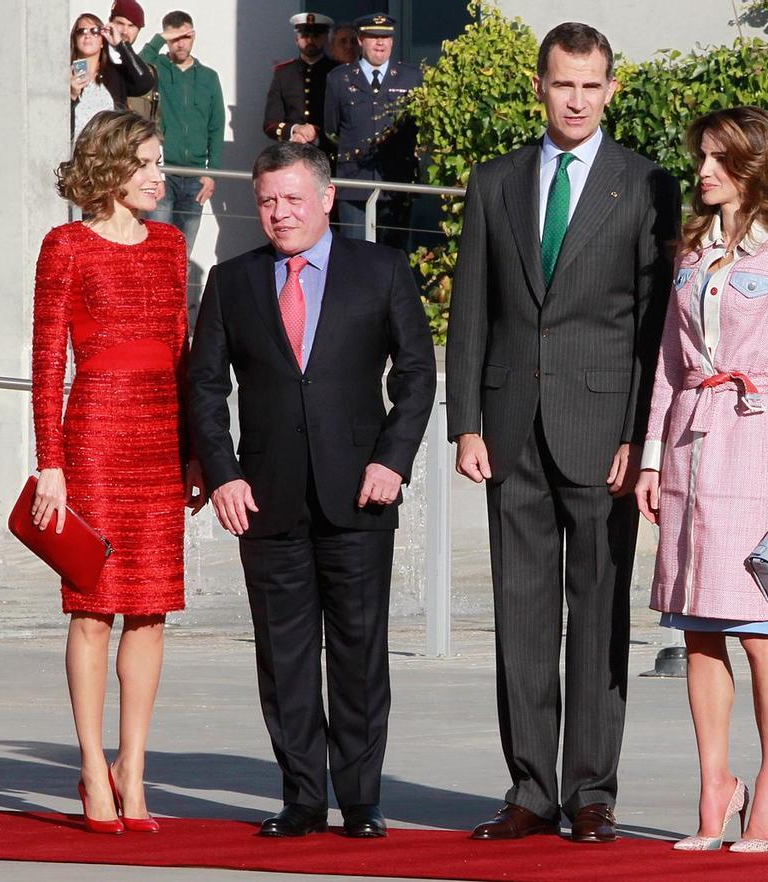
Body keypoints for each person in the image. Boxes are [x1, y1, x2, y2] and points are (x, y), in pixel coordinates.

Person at [445, 22, 680, 843]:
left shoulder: (646, 184)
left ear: (612, 89)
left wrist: (639, 435)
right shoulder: (495, 182)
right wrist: (465, 422)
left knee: (600, 612)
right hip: (509, 430)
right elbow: (470, 309)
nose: (576, 99)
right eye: (562, 83)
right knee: (521, 612)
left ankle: (590, 792)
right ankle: (530, 788)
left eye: (591, 84)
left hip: (603, 432)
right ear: (539, 86)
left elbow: (655, 327)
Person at [188, 142, 435, 839]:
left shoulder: (381, 269)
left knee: (359, 652)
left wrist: (393, 459)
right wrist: (223, 471)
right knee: (284, 655)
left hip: (360, 493)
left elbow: (417, 374)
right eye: (268, 200)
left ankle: (360, 801)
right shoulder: (232, 282)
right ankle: (302, 797)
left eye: (293, 198)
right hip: (263, 496)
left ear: (327, 198)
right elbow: (205, 386)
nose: (279, 213)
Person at [634, 106, 768, 854]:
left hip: (756, 453)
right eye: (702, 158)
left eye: (720, 159)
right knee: (698, 630)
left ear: (756, 165)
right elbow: (667, 366)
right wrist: (652, 456)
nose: (705, 171)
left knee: (758, 630)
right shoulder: (690, 253)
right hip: (690, 450)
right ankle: (716, 787)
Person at [32, 110, 204, 835]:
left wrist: (196, 449)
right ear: (112, 167)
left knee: (152, 608)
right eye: (151, 163)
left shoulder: (169, 246)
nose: (161, 177)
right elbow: (46, 365)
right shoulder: (65, 245)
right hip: (96, 437)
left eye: (161, 163)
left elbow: (184, 352)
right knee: (93, 608)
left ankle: (133, 769)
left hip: (162, 439)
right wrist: (51, 465)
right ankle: (90, 763)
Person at [141, 9, 225, 327]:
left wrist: (212, 171)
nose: (181, 42)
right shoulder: (160, 68)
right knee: (158, 247)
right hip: (163, 174)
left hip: (195, 179)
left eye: (186, 35)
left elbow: (217, 126)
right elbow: (141, 62)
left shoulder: (208, 78)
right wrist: (160, 40)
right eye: (175, 37)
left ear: (194, 35)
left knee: (181, 252)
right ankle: (153, 316)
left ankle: (175, 320)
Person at [322, 13, 421, 246]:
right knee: (354, 252)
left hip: (395, 181)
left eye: (385, 37)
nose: (380, 43)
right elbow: (331, 128)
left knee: (394, 255)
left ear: (392, 42)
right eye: (373, 36)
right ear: (360, 40)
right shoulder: (339, 79)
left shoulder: (411, 77)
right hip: (355, 180)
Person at [69, 13, 155, 140]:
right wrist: (72, 97)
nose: (88, 35)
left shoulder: (114, 75)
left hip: (108, 154)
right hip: (75, 154)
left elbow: (145, 83)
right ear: (75, 40)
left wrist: (121, 45)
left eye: (95, 31)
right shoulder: (63, 75)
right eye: (82, 31)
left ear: (102, 41)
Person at [264, 13, 337, 158]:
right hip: (291, 154)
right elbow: (270, 124)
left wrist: (315, 135)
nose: (310, 40)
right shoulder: (283, 73)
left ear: (326, 38)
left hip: (328, 156)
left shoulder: (337, 72)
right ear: (296, 39)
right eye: (304, 35)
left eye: (316, 36)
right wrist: (295, 130)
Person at [107, 0, 162, 123]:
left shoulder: (134, 62)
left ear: (138, 30)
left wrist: (122, 47)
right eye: (120, 23)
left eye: (131, 26)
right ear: (110, 23)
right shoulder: (98, 52)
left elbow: (145, 83)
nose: (125, 31)